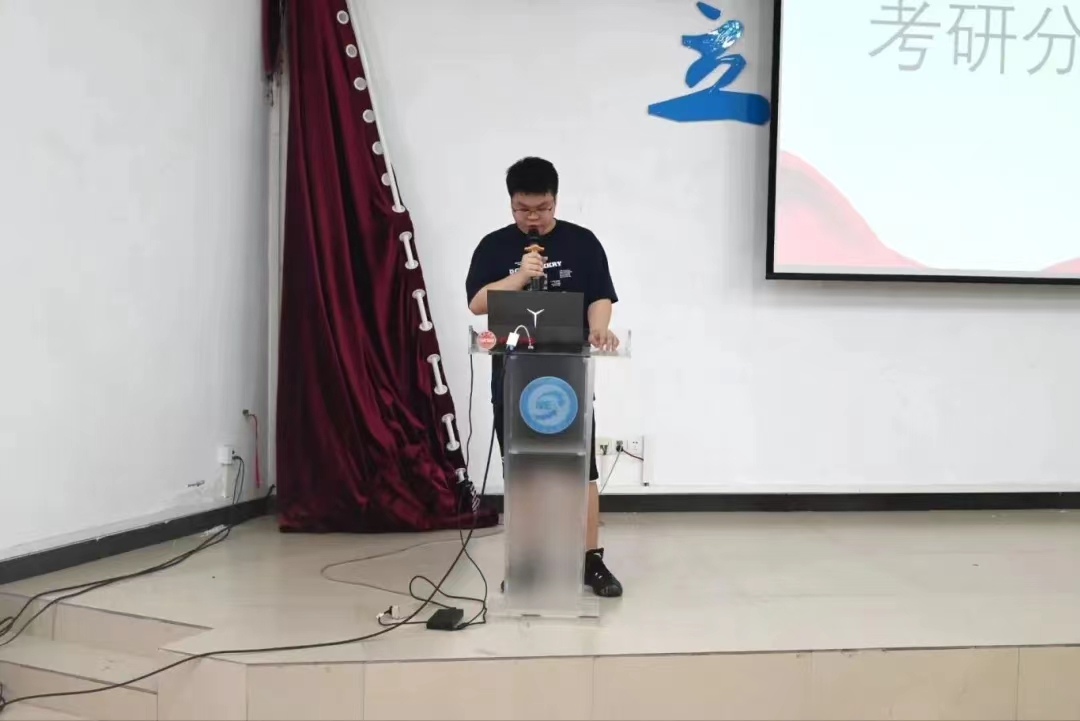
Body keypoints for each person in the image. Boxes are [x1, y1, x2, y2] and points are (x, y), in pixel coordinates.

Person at [465, 157, 623, 598]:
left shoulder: (582, 242)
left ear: (555, 200)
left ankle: (590, 561)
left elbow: (601, 296)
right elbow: (477, 303)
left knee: (581, 469)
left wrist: (599, 327)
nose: (533, 218)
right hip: (514, 377)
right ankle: (528, 560)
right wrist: (520, 276)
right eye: (523, 209)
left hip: (567, 377)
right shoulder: (494, 246)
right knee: (523, 469)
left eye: (542, 208)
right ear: (511, 203)